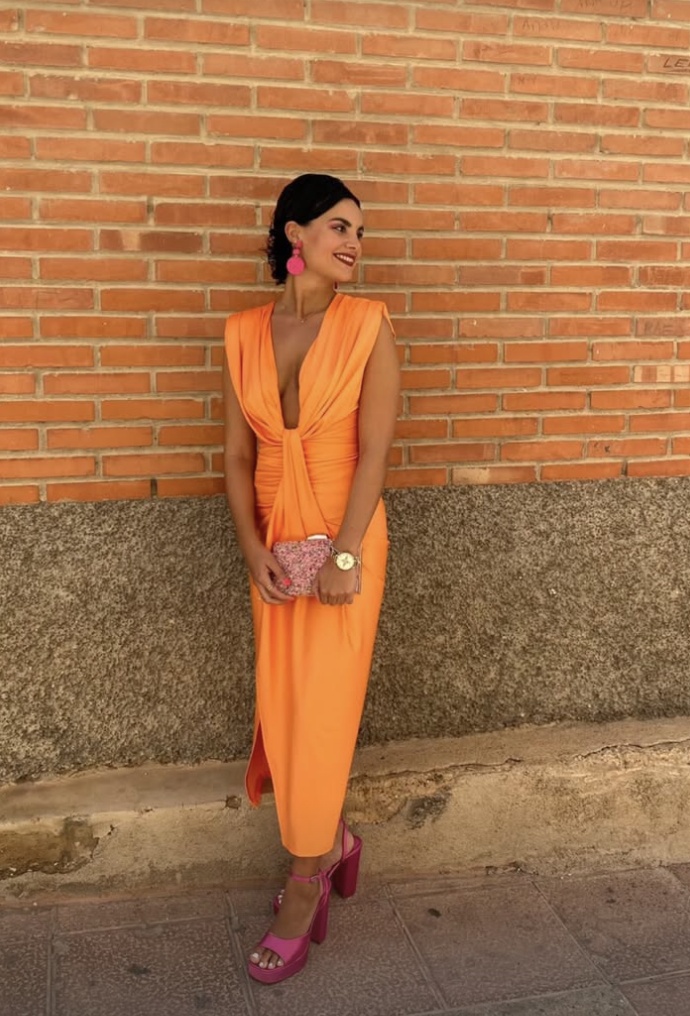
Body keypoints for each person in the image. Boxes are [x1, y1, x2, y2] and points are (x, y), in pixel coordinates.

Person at [222, 173, 399, 983]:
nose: (353, 242)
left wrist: (346, 556)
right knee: (285, 704)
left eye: (359, 231)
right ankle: (333, 842)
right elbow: (235, 456)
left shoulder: (367, 324)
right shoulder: (243, 333)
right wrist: (250, 546)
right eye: (338, 226)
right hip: (274, 545)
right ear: (295, 235)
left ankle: (305, 883)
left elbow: (375, 453)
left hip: (343, 542)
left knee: (323, 707)